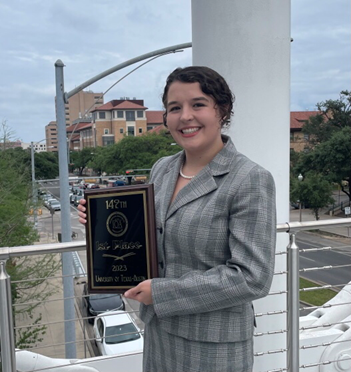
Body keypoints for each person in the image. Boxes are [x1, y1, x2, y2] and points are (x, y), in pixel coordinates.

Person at [78, 66, 276, 372]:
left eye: (198, 104)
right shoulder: (163, 169)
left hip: (213, 346)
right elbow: (148, 234)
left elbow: (252, 277)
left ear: (221, 110)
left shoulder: (249, 178)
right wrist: (101, 223)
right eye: (174, 108)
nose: (185, 116)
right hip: (159, 334)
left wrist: (161, 292)